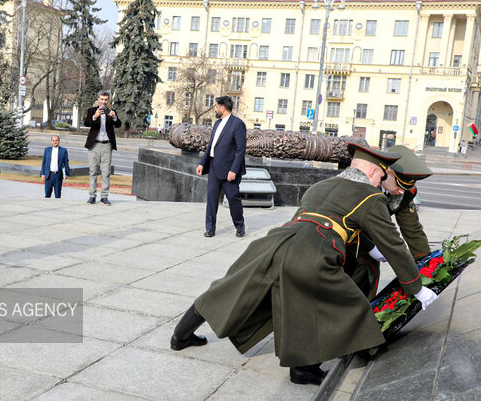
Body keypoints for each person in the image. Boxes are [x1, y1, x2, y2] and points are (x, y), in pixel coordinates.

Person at [170, 143, 438, 386]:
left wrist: (409, 259)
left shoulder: (321, 185)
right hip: (316, 252)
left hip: (277, 242)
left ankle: (180, 336)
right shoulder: (371, 196)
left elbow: (326, 218)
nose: (395, 186)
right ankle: (317, 363)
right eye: (383, 175)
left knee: (229, 290)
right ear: (372, 173)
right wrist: (416, 286)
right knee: (344, 306)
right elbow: (393, 245)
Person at [345, 145, 433, 299]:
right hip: (346, 243)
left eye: (406, 187)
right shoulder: (360, 183)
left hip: (372, 245)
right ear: (387, 171)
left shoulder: (403, 194)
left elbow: (412, 230)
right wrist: (371, 246)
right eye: (399, 185)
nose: (401, 192)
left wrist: (427, 264)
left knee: (367, 284)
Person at [197, 95, 247, 237]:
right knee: (211, 200)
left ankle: (239, 225)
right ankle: (210, 228)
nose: (215, 109)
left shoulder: (237, 124)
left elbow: (240, 150)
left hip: (229, 170)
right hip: (213, 167)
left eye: (216, 107)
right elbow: (211, 146)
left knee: (233, 199)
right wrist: (202, 163)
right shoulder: (217, 123)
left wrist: (233, 170)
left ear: (222, 108)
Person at [84, 91, 121, 205]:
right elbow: (86, 123)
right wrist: (95, 116)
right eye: (102, 99)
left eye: (106, 99)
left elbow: (119, 124)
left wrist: (114, 117)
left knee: (106, 172)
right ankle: (92, 196)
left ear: (108, 100)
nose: (104, 102)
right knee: (93, 171)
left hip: (107, 145)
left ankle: (104, 197)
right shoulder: (92, 110)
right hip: (94, 144)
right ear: (98, 99)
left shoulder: (111, 111)